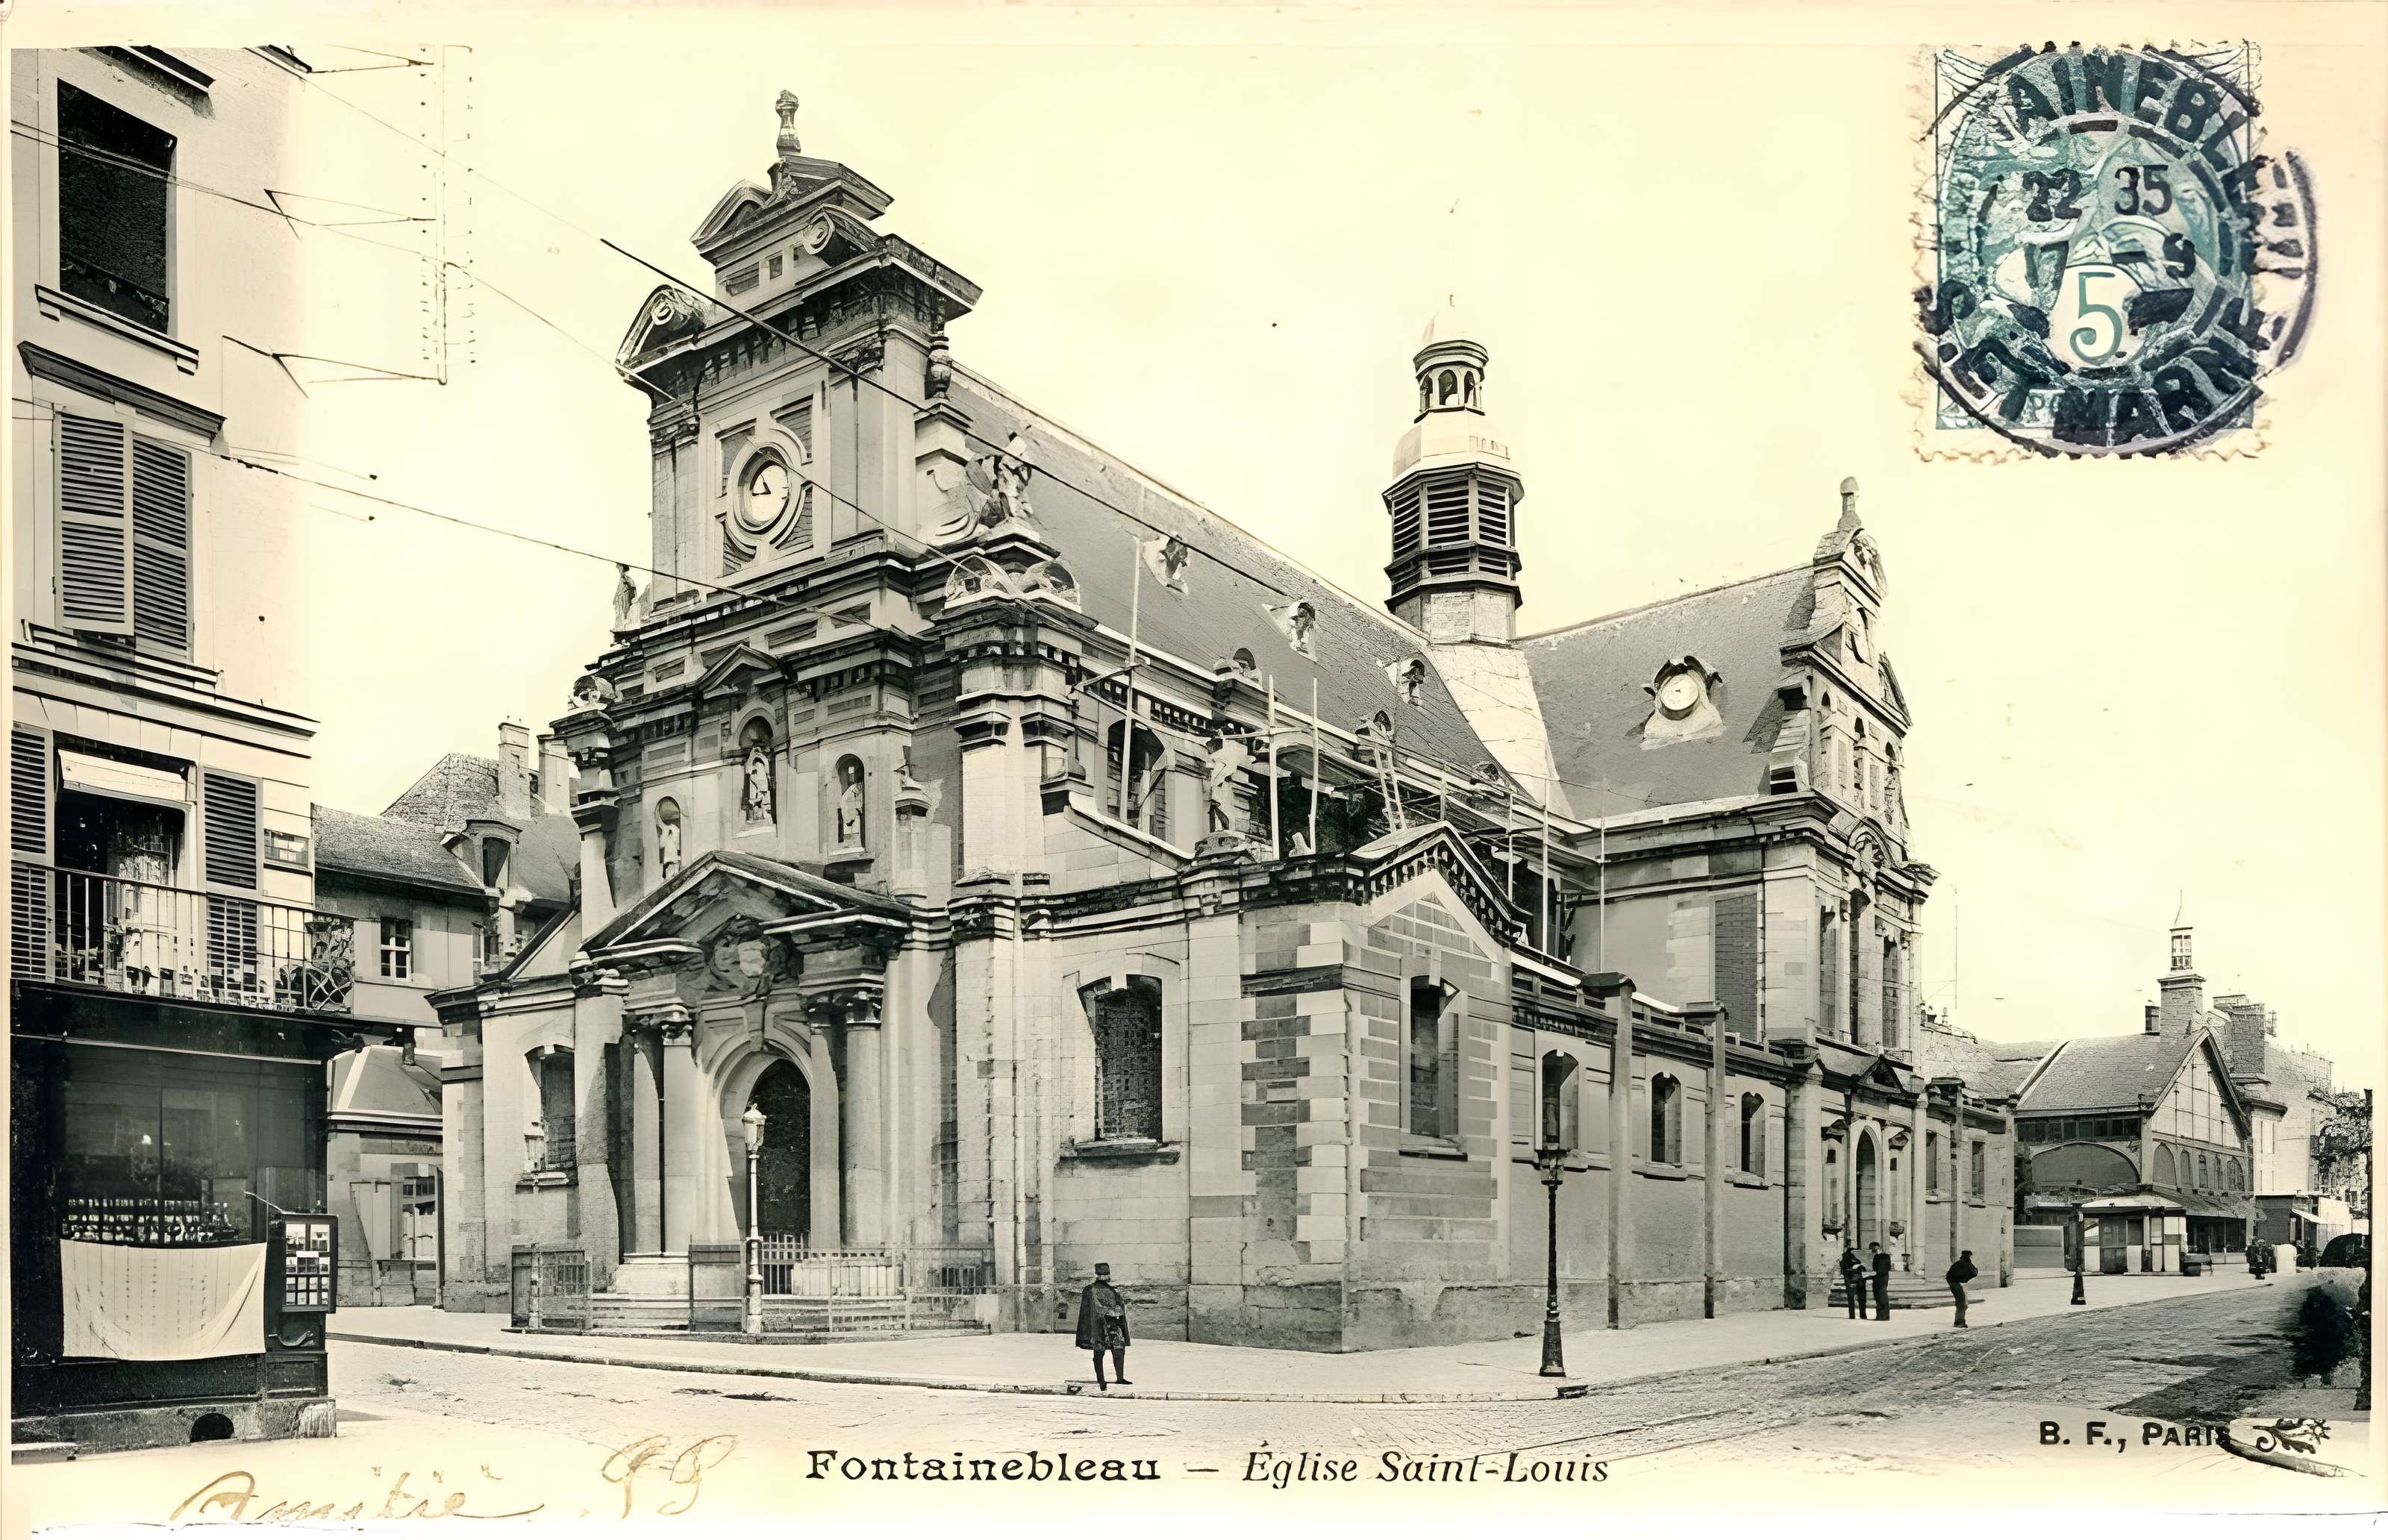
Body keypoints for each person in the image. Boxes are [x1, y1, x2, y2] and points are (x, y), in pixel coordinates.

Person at [1074, 1262, 1131, 1390]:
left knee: (1118, 1350)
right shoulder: (1090, 1290)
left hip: (1113, 1325)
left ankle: (1119, 1378)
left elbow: (1119, 1306)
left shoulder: (1111, 1290)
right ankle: (1101, 1380)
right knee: (1099, 1352)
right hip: (1098, 1326)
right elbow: (1087, 1312)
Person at [1946, 1248, 1979, 1328]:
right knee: (1962, 1303)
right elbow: (1974, 1272)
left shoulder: (1957, 1263)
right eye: (1971, 1256)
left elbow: (1949, 1275)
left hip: (1954, 1283)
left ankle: (1960, 1321)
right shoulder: (1966, 1263)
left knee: (1961, 1302)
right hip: (1957, 1284)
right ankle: (1959, 1322)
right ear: (1968, 1256)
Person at [1837, 1242, 1866, 1320]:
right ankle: (1860, 1315)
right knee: (1858, 1297)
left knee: (1855, 1297)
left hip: (1854, 1278)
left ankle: (1853, 1315)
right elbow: (1844, 1270)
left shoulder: (1849, 1259)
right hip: (1851, 1278)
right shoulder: (1847, 1259)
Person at [1869, 1241, 1893, 1321]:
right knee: (1878, 1298)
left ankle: (1884, 1316)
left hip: (1882, 1279)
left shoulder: (1884, 1257)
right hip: (1878, 1279)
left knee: (1882, 1297)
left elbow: (1883, 1268)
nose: (1871, 1250)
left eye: (1872, 1248)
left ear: (1876, 1248)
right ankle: (1880, 1316)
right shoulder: (1877, 1256)